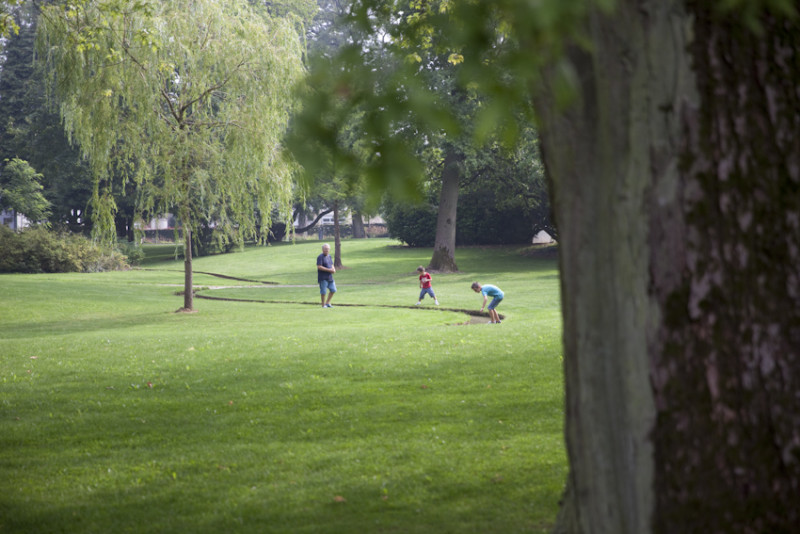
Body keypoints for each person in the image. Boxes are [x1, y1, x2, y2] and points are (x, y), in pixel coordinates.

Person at [317, 243, 336, 308]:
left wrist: (333, 269)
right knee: (323, 291)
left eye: (327, 249)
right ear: (322, 250)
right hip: (323, 277)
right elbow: (319, 267)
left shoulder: (329, 256)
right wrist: (329, 270)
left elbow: (332, 264)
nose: (326, 250)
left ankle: (327, 303)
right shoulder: (320, 257)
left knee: (333, 290)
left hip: (330, 277)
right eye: (325, 249)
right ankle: (323, 305)